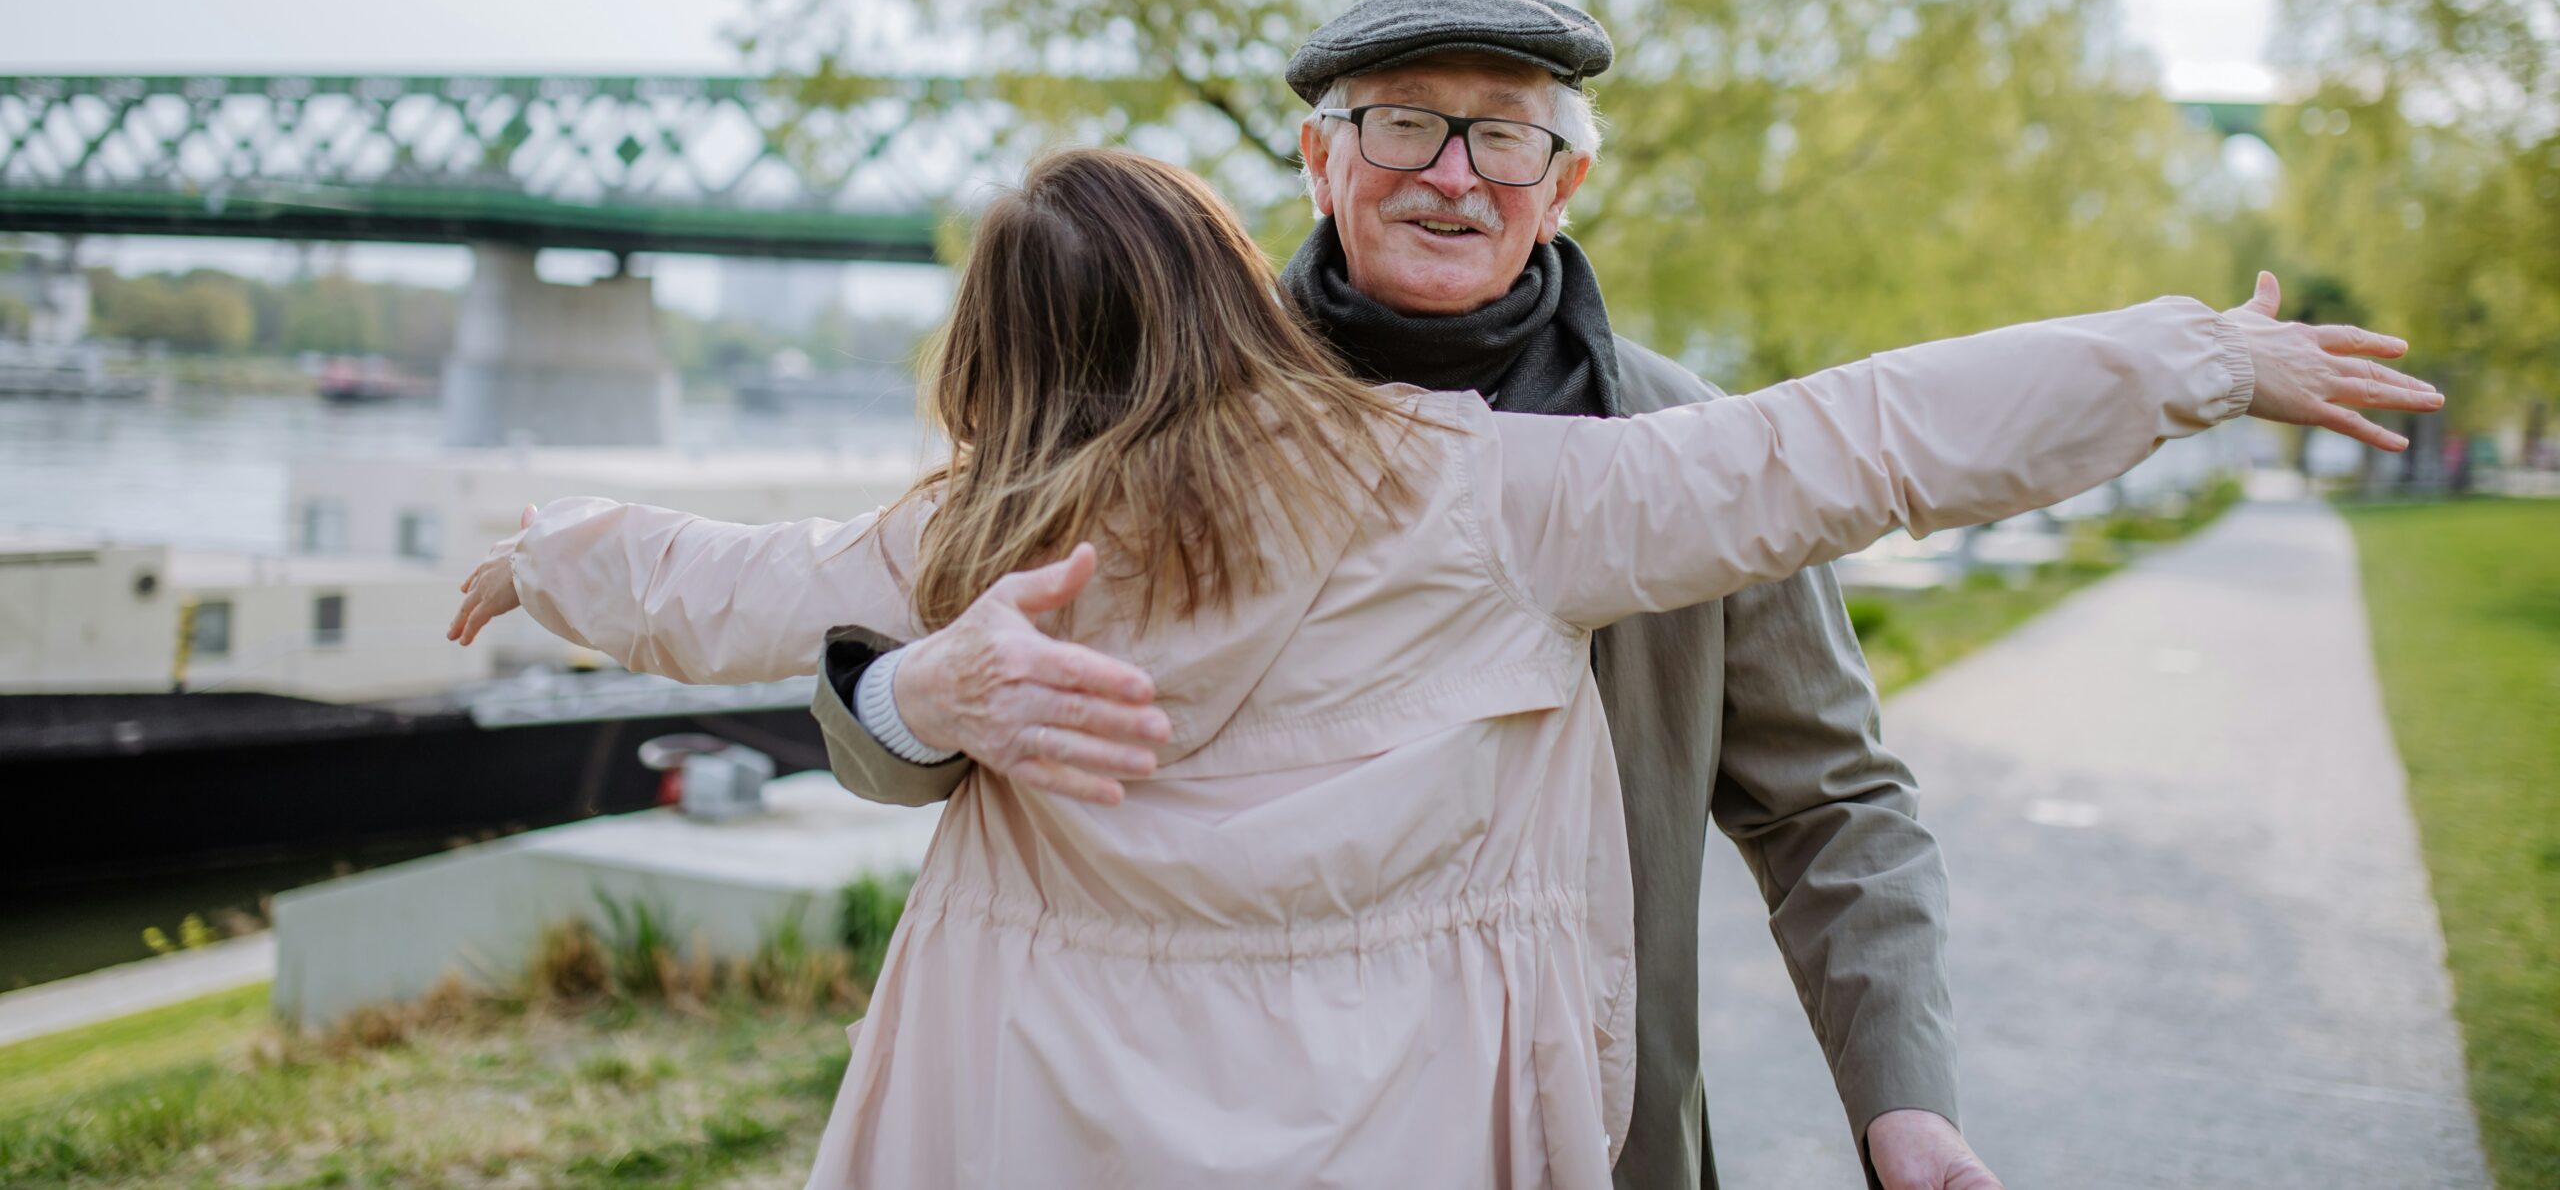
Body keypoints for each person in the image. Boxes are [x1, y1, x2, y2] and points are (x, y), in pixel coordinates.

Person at [451, 146, 2438, 1190]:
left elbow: (722, 582)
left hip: (1049, 1100)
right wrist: (2185, 356)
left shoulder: (953, 544)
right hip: (1399, 1103)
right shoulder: (1486, 493)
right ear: (1250, 261)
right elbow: (1854, 441)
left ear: (999, 356)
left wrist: (546, 558)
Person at [812, 0, 1975, 1187]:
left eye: (1505, 134)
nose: (1453, 176)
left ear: (1562, 184)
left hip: (1584, 1132)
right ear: (1322, 162)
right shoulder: (1149, 423)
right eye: (1403, 124)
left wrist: (1905, 1102)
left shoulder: (1690, 452)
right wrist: (915, 698)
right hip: (1184, 1133)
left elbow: (1830, 805)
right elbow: (899, 730)